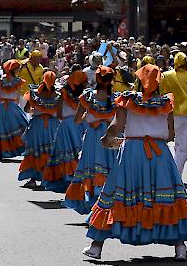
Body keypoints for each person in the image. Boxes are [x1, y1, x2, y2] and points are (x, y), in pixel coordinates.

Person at [83, 64, 187, 260]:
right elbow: (171, 134)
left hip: (131, 153)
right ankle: (180, 248)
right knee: (169, 196)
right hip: (159, 154)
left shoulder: (127, 100)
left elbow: (117, 126)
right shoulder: (166, 102)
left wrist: (106, 138)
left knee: (113, 194)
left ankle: (96, 246)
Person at [63, 66, 118, 214]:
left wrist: (89, 117)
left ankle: (91, 202)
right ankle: (105, 205)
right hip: (109, 137)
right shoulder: (116, 99)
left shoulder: (88, 97)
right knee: (108, 168)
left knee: (90, 168)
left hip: (92, 138)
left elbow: (77, 120)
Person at [42, 67, 88, 193]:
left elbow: (58, 111)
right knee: (81, 151)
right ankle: (80, 180)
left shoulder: (63, 92)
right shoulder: (86, 95)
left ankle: (68, 178)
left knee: (66, 151)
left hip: (67, 125)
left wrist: (65, 119)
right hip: (82, 124)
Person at [19, 71, 61, 188]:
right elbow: (59, 112)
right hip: (53, 126)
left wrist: (37, 109)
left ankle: (33, 179)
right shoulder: (58, 95)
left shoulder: (34, 94)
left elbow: (27, 109)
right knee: (50, 151)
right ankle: (48, 178)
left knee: (35, 150)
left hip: (37, 125)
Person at [160, 52, 187, 179]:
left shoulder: (165, 76)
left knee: (170, 144)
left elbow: (160, 94)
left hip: (169, 114)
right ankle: (175, 175)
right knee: (183, 149)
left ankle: (173, 174)